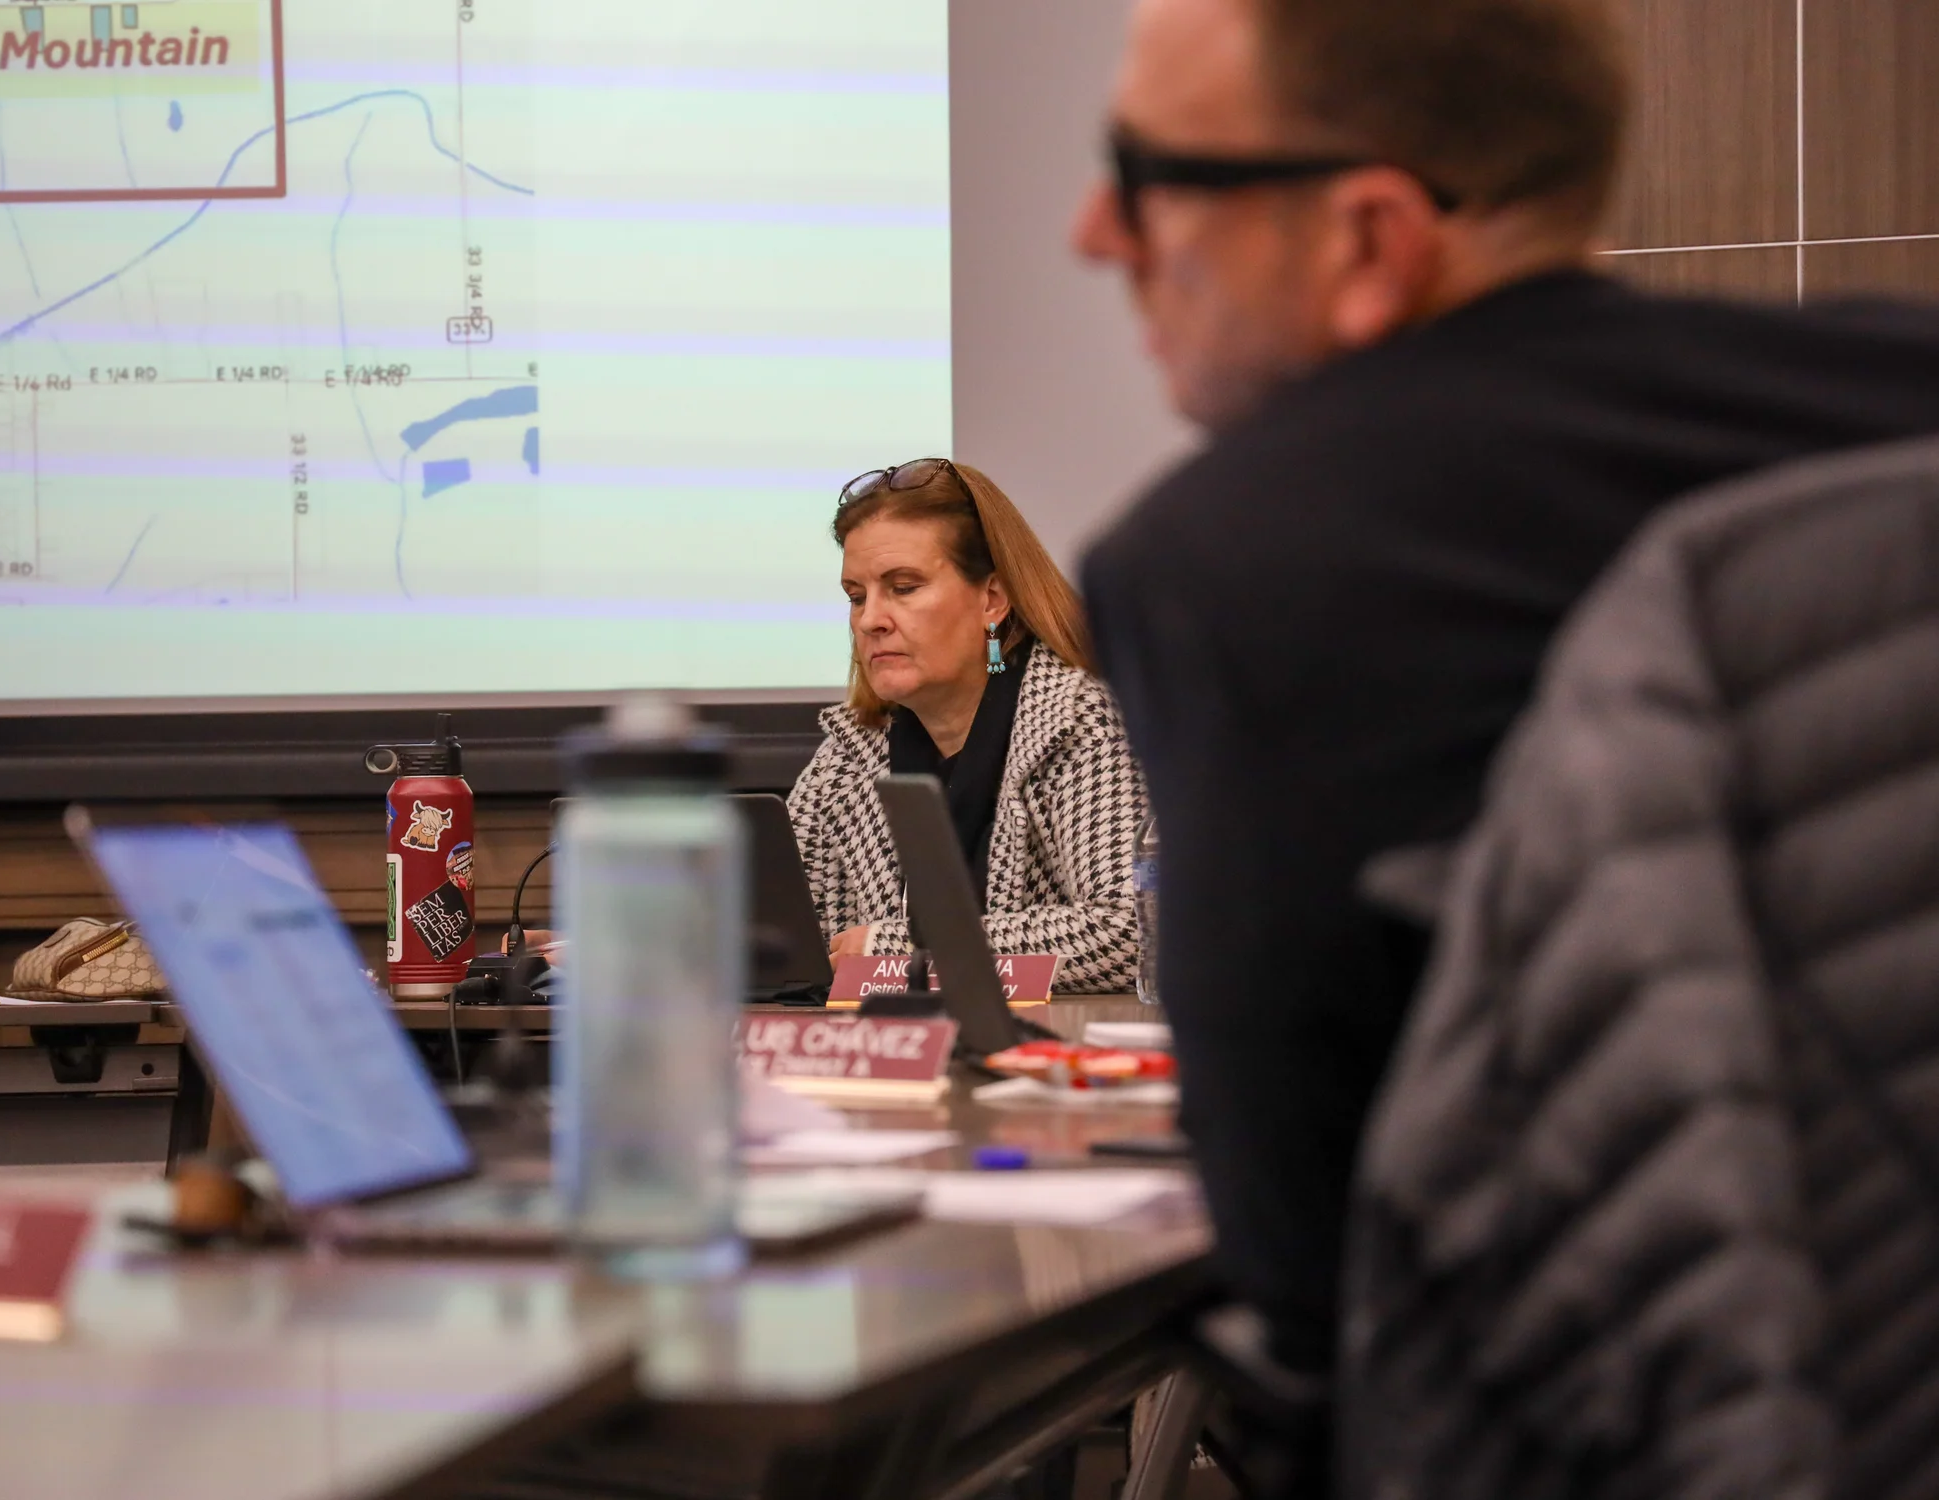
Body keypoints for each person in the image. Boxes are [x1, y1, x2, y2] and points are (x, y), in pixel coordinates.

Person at [1071, 0, 1939, 1417]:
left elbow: (1308, 1263)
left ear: (1368, 238)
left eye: (1146, 176)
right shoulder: (1901, 397)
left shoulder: (1231, 558)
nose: (1095, 236)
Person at [788, 458, 1145, 995]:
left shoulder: (1078, 722)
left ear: (992, 600)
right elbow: (779, 939)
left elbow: (1129, 932)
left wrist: (898, 951)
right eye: (857, 597)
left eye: (903, 588)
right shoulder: (852, 751)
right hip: (895, 1061)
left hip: (1052, 1063)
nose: (870, 620)